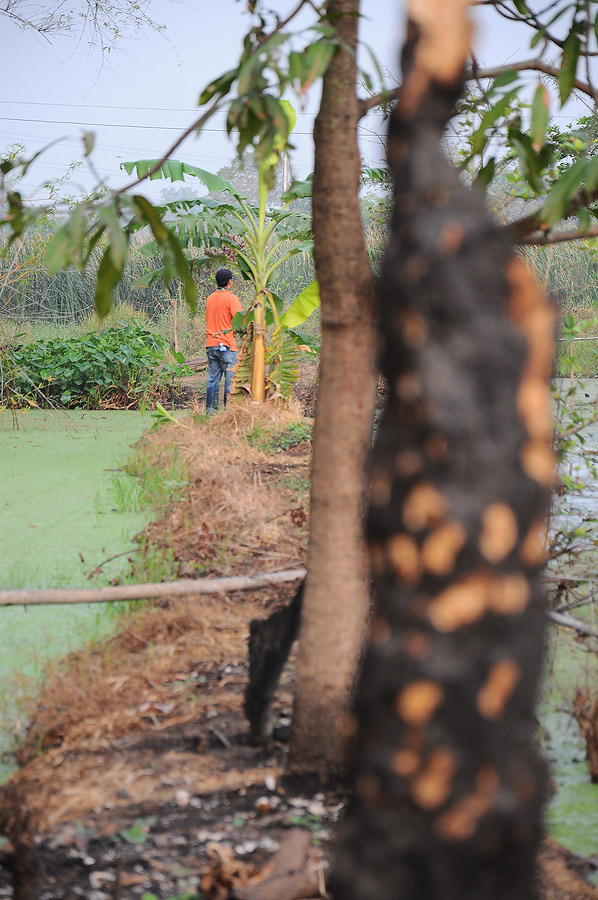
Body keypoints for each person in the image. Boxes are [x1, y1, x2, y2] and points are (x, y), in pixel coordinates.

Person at [205, 268, 243, 414]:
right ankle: (229, 411)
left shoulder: (210, 298)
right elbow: (240, 320)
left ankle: (210, 411)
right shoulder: (231, 298)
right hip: (227, 345)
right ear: (229, 282)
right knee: (230, 380)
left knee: (212, 380)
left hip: (211, 345)